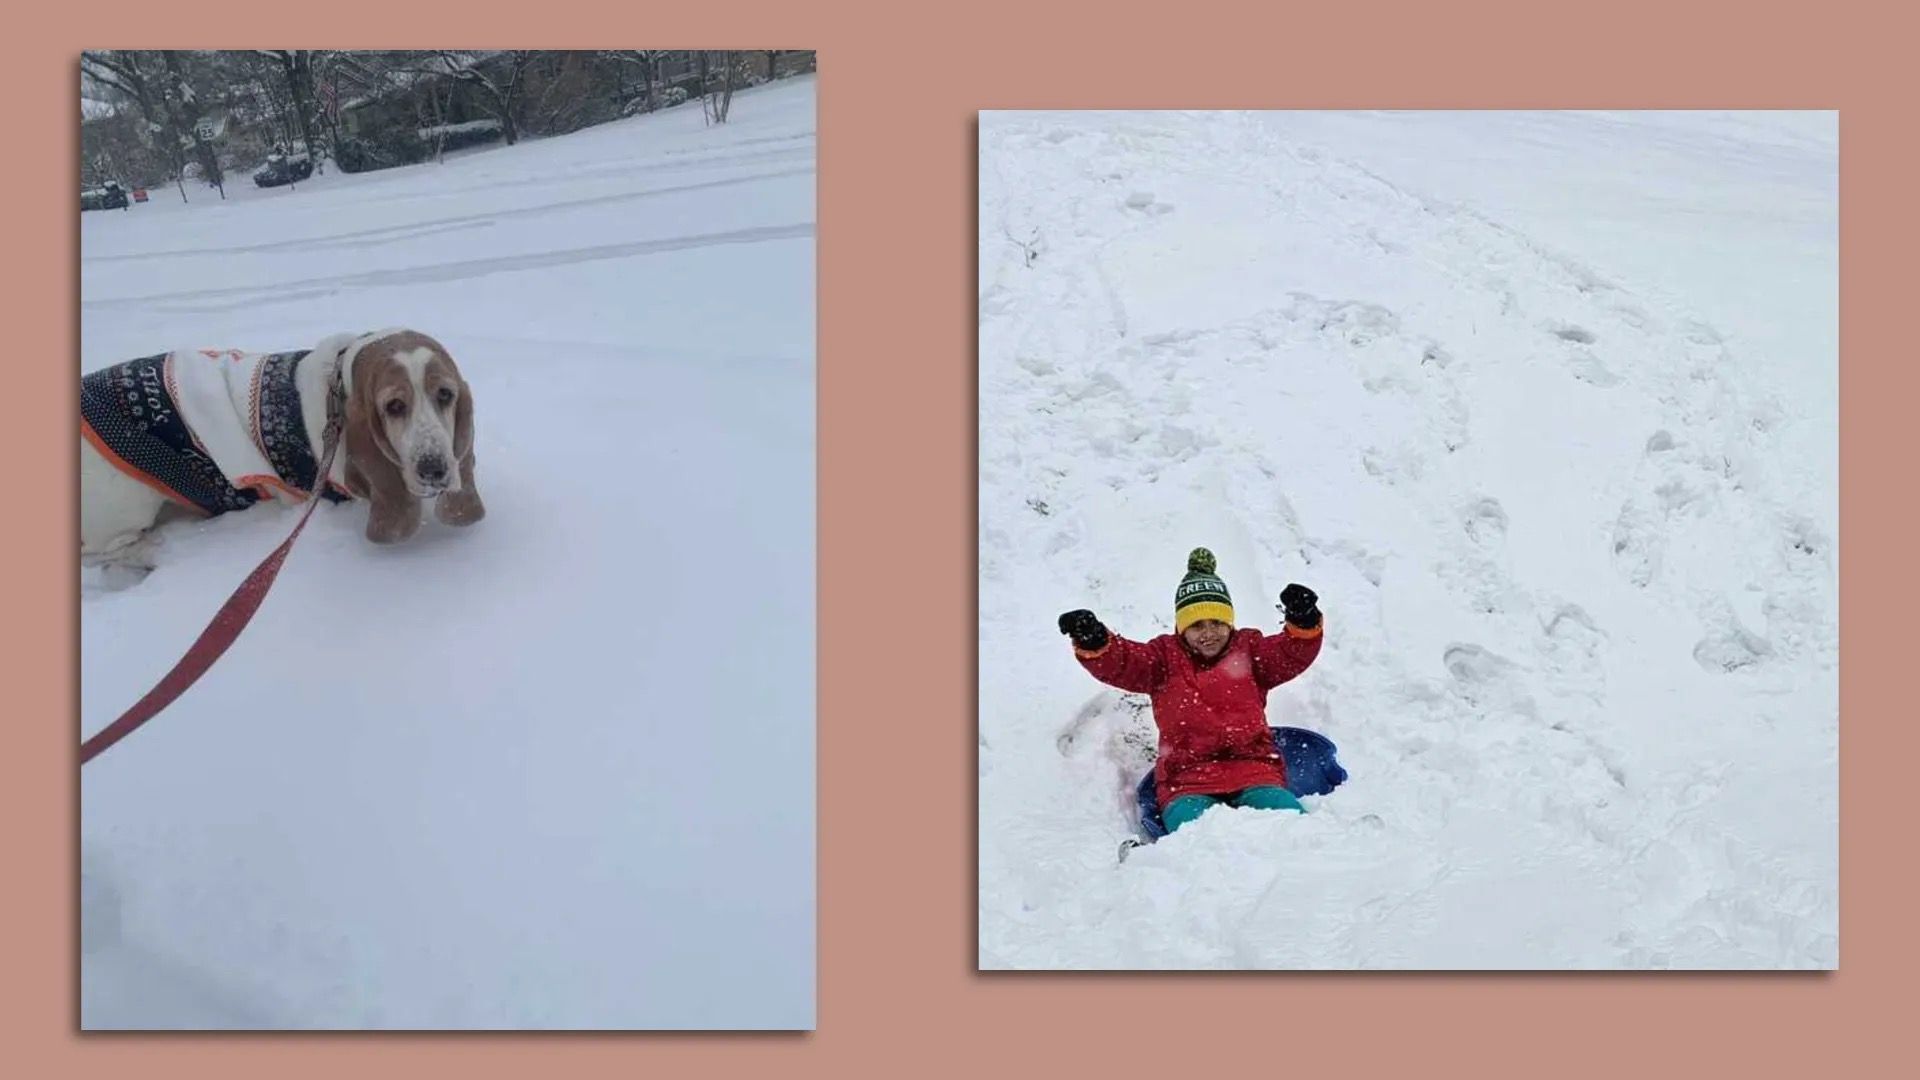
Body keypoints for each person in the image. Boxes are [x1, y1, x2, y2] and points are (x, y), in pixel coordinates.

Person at [1058, 548, 1324, 834]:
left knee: (1290, 827)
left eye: (1217, 623)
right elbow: (1123, 662)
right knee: (1194, 837)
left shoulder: (1249, 650)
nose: (1208, 633)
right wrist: (1096, 642)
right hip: (1187, 778)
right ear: (1180, 628)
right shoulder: (1163, 659)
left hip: (1254, 768)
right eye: (1197, 625)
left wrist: (1303, 623)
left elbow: (1289, 653)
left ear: (1230, 623)